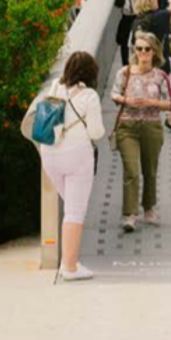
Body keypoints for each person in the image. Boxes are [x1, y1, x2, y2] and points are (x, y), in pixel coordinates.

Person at [37, 51, 105, 281]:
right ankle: (70, 267)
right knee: (74, 213)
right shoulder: (90, 97)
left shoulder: (55, 86)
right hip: (77, 157)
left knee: (71, 208)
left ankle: (70, 259)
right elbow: (96, 133)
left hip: (50, 154)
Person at [111, 34, 171, 231]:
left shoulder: (160, 76)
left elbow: (170, 103)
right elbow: (114, 93)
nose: (142, 53)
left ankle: (148, 208)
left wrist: (151, 102)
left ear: (154, 51)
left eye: (147, 49)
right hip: (127, 127)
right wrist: (126, 100)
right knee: (131, 170)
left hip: (152, 126)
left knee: (150, 170)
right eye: (138, 49)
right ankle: (130, 214)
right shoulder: (125, 72)